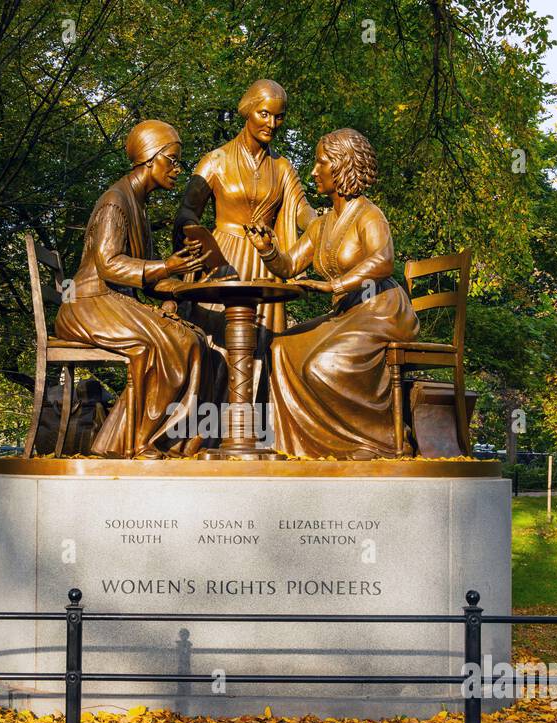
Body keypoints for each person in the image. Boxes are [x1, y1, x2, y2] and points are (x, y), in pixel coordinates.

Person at [243, 128, 419, 459]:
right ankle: (288, 444)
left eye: (320, 163)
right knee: (280, 348)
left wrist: (334, 286)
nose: (313, 171)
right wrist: (268, 250)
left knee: (322, 365)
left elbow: (383, 261)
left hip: (380, 311)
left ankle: (376, 441)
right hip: (347, 314)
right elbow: (290, 263)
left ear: (340, 167)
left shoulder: (369, 214)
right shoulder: (321, 224)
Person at [55, 120, 208, 458]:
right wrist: (169, 266)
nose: (177, 169)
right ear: (150, 158)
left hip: (110, 302)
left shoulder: (138, 205)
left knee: (194, 338)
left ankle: (135, 440)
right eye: (172, 159)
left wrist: (189, 283)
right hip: (88, 303)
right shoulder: (116, 202)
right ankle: (140, 441)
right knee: (170, 342)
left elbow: (149, 278)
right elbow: (110, 264)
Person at [173, 79, 317, 390]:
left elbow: (302, 211)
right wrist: (194, 240)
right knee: (216, 343)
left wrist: (329, 222)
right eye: (265, 114)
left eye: (279, 117)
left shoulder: (282, 167)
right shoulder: (216, 160)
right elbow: (188, 210)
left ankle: (252, 427)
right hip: (223, 259)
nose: (273, 124)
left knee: (261, 347)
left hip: (266, 262)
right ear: (248, 111)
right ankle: (209, 425)